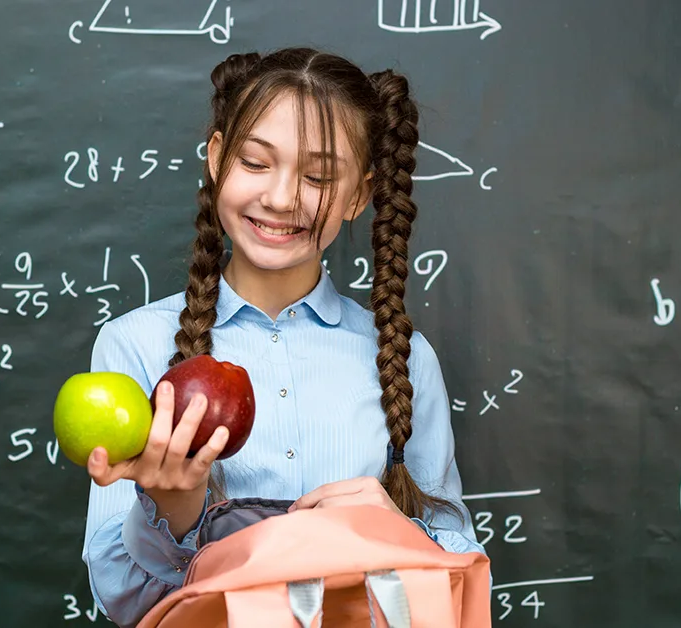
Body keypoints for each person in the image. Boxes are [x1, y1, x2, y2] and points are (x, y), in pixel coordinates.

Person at [80, 46, 487, 627]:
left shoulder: (405, 359)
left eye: (318, 176)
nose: (280, 198)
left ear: (359, 196)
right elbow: (123, 599)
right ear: (217, 158)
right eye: (255, 162)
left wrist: (402, 529)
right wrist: (171, 511)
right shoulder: (134, 346)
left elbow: (458, 565)